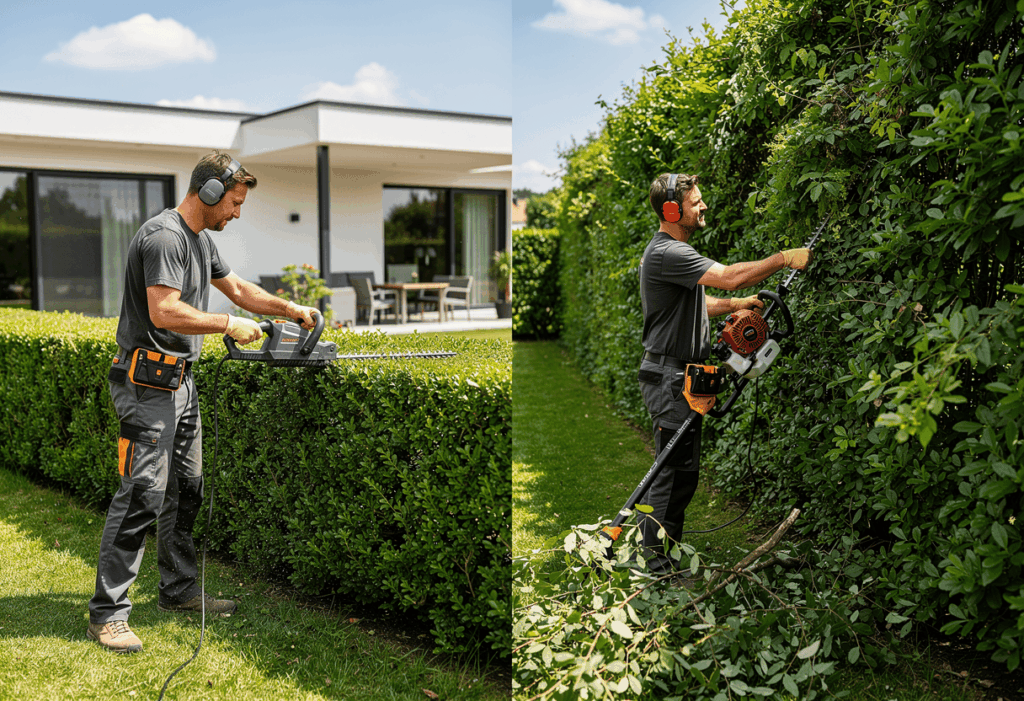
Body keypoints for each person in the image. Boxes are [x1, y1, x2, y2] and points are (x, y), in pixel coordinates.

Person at [87, 152, 319, 653]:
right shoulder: (165, 236)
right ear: (210, 192)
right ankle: (108, 615)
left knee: (186, 489)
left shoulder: (198, 240)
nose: (236, 213)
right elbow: (164, 309)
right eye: (234, 202)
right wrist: (225, 325)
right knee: (141, 495)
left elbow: (235, 289)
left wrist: (290, 308)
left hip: (182, 384)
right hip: (147, 385)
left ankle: (178, 591)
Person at [636, 173, 811, 574]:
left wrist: (735, 305)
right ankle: (655, 567)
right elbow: (731, 273)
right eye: (696, 202)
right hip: (669, 378)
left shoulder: (671, 254)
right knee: (669, 476)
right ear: (671, 210)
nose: (704, 207)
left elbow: (699, 301)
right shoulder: (668, 252)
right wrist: (783, 258)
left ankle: (666, 553)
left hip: (682, 376)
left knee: (684, 476)